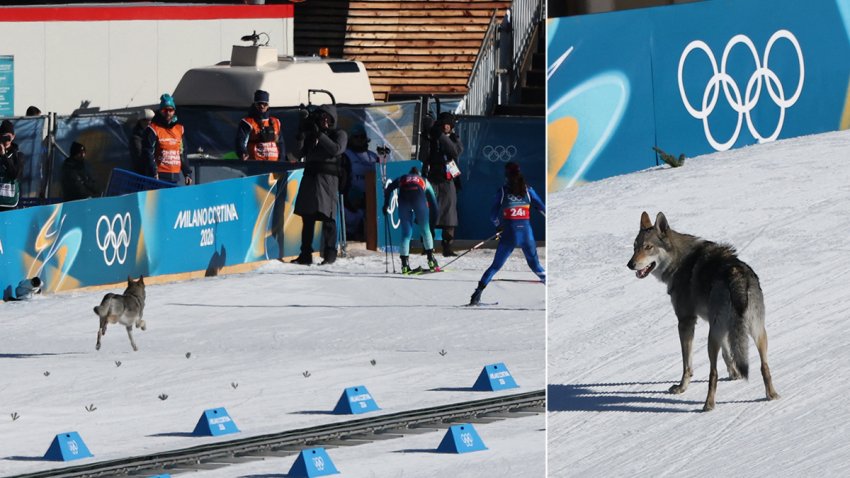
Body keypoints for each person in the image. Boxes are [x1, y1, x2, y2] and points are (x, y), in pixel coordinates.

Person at [469, 162, 545, 305]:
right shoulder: (529, 190)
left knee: (495, 266)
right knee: (536, 266)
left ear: (507, 175)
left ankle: (476, 295)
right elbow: (543, 208)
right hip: (526, 233)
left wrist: (499, 227)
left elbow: (493, 215)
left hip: (509, 233)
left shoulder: (503, 191)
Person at [291, 104, 347, 265]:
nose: (323, 121)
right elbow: (298, 153)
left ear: (332, 119)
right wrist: (302, 134)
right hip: (310, 179)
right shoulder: (312, 135)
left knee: (328, 218)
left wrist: (320, 135)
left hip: (328, 181)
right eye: (321, 118)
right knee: (307, 218)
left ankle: (330, 255)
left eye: (326, 118)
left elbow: (336, 149)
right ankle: (305, 254)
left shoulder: (339, 134)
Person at [383, 166, 440, 274]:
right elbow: (434, 206)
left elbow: (389, 188)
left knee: (406, 234)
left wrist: (385, 205)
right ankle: (431, 260)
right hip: (418, 198)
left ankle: (405, 266)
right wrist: (432, 226)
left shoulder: (402, 178)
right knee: (425, 230)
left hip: (404, 199)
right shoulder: (424, 180)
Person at [424, 112, 463, 256]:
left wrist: (440, 136)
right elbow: (424, 154)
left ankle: (447, 246)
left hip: (448, 179)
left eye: (449, 124)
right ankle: (427, 246)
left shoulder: (454, 139)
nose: (447, 127)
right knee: (429, 212)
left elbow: (455, 151)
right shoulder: (430, 139)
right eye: (444, 124)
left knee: (449, 214)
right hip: (432, 178)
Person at [143, 94, 193, 185]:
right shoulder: (153, 128)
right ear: (160, 111)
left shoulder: (179, 129)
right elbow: (148, 152)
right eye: (165, 110)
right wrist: (153, 172)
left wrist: (187, 173)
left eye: (170, 110)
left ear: (174, 111)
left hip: (175, 175)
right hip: (158, 176)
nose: (168, 113)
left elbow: (182, 152)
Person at [342, 123, 379, 241]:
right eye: (356, 137)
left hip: (371, 201)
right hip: (351, 203)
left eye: (362, 137)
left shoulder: (374, 157)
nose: (359, 140)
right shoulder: (345, 156)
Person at [235, 89, 284, 161]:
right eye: (259, 104)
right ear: (255, 104)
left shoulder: (276, 122)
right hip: (256, 164)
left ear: (268, 105)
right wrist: (243, 152)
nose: (262, 106)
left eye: (265, 104)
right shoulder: (247, 122)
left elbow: (281, 143)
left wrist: (282, 159)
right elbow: (240, 141)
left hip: (274, 164)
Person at [0, 120, 22, 210]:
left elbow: (14, 174)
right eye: (3, 137)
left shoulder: (18, 155)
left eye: (8, 137)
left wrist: (4, 156)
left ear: (13, 136)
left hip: (10, 202)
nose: (6, 140)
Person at [129, 109, 154, 175]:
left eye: (151, 120)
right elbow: (139, 156)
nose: (149, 122)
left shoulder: (153, 133)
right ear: (140, 121)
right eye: (145, 120)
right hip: (145, 172)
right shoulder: (136, 137)